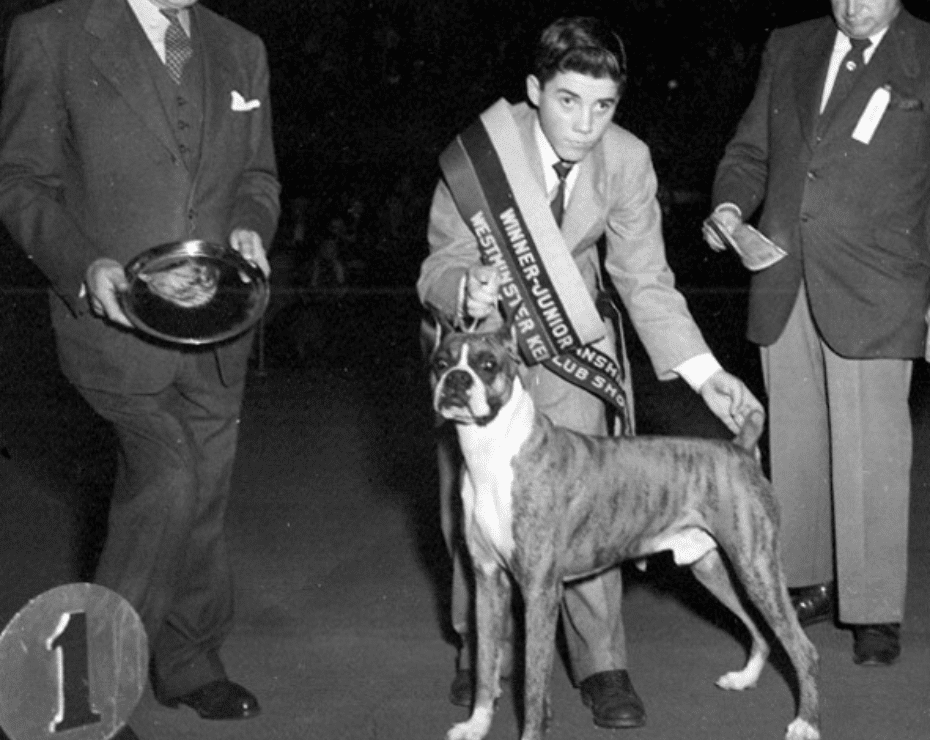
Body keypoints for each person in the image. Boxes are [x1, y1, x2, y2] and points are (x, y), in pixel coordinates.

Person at [419, 16, 762, 729]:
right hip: (479, 348)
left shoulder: (628, 160)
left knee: (586, 506)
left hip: (573, 340)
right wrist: (466, 290)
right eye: (569, 101)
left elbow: (645, 279)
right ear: (535, 90)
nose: (585, 123)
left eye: (602, 106)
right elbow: (439, 262)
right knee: (476, 510)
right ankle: (481, 654)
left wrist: (706, 375)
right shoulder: (477, 155)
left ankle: (601, 662)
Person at [0, 0, 280, 733]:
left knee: (204, 500)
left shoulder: (240, 47)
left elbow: (258, 176)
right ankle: (86, 687)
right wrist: (81, 264)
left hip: (220, 329)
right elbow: (21, 182)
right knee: (169, 476)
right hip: (111, 323)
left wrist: (253, 223)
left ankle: (189, 663)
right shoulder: (50, 35)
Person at [705, 0, 929, 666]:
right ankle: (809, 579)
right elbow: (750, 151)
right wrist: (727, 204)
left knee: (874, 452)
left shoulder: (924, 51)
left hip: (880, 283)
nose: (853, 8)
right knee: (796, 442)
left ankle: (874, 608)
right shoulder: (790, 44)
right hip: (781, 274)